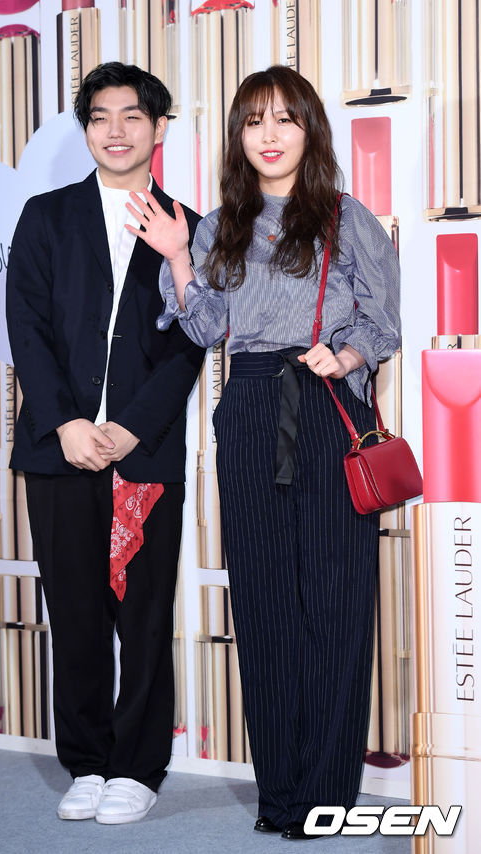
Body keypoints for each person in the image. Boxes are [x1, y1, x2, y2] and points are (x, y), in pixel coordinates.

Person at [126, 65, 400, 840]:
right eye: (254, 121)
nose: (269, 134)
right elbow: (207, 327)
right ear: (238, 136)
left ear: (310, 129)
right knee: (265, 602)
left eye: (284, 118)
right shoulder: (220, 224)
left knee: (338, 605)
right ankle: (280, 794)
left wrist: (344, 357)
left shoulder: (347, 217)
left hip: (328, 404)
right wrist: (177, 256)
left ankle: (327, 793)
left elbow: (383, 320)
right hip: (249, 407)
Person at [5, 62, 204, 825]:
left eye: (132, 116)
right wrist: (66, 422)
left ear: (159, 127)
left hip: (143, 452)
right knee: (76, 612)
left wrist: (129, 426)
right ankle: (86, 762)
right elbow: (27, 325)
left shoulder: (189, 227)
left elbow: (190, 343)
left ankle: (138, 766)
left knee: (145, 615)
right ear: (86, 129)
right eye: (99, 117)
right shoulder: (46, 216)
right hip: (58, 451)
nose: (115, 131)